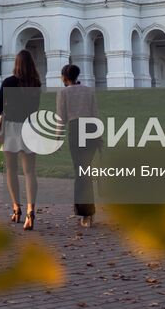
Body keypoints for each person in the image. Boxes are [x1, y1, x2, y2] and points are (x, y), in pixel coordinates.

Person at [0, 50, 43, 230]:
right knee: (30, 172)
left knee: (11, 170)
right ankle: (31, 211)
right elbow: (35, 108)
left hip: (12, 127)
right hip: (30, 127)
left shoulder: (8, 82)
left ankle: (16, 208)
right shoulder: (36, 83)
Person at [57, 63, 100, 227]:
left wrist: (57, 138)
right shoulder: (89, 91)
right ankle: (88, 212)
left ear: (65, 77)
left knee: (80, 173)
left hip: (76, 130)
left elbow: (61, 118)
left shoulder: (63, 93)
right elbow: (95, 113)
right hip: (91, 129)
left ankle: (85, 213)